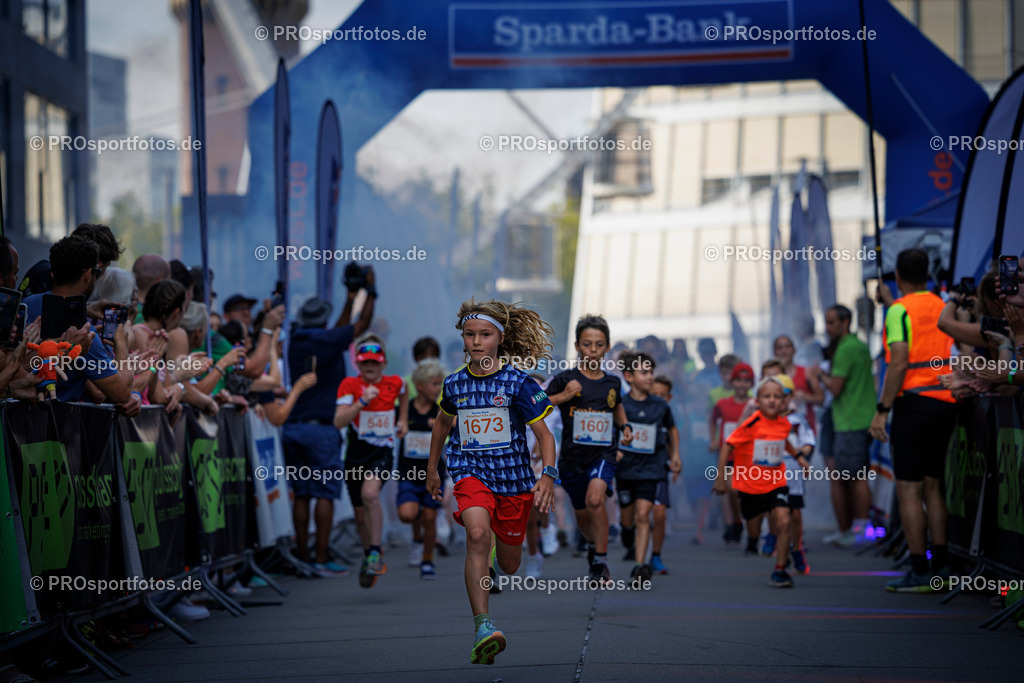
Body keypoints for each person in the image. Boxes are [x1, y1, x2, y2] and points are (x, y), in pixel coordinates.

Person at [425, 298, 557, 666]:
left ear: (500, 338)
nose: (477, 342)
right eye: (470, 335)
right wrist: (433, 468)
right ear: (462, 338)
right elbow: (441, 424)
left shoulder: (518, 383)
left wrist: (547, 474)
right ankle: (483, 626)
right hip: (470, 471)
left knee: (512, 565)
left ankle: (502, 552)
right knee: (477, 535)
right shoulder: (453, 384)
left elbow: (545, 436)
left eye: (485, 334)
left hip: (513, 479)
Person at [870, 249, 956, 592]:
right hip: (946, 400)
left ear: (898, 276)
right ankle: (943, 564)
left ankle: (920, 570)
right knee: (933, 486)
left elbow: (900, 360)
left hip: (913, 405)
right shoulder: (942, 302)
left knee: (908, 488)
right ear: (928, 274)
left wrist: (882, 409)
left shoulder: (898, 311)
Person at [283, 274, 375, 577]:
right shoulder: (328, 340)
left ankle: (304, 556)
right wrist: (370, 291)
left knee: (303, 493)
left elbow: (340, 330)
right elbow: (358, 327)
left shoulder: (296, 341)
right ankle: (321, 559)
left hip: (294, 426)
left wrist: (350, 299)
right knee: (324, 495)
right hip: (322, 430)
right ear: (323, 322)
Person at [546, 315, 633, 585]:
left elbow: (616, 407)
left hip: (603, 453)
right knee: (583, 516)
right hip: (572, 459)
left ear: (606, 347)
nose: (593, 350)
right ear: (577, 346)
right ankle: (594, 547)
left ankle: (600, 562)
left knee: (597, 499)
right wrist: (563, 396)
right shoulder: (564, 379)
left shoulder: (612, 382)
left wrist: (626, 426)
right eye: (587, 344)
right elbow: (539, 403)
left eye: (598, 344)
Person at [23, 236, 139, 414]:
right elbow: (122, 393)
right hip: (57, 431)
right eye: (97, 273)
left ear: (53, 273)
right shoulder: (82, 332)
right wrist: (122, 343)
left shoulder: (24, 306)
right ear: (88, 275)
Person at [713, 377, 808, 588]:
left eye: (777, 396)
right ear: (757, 401)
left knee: (783, 520)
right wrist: (721, 478)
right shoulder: (751, 423)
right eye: (767, 396)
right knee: (754, 529)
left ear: (784, 401)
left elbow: (784, 442)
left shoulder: (785, 423)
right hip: (751, 486)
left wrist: (800, 458)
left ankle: (780, 570)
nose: (772, 401)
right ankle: (753, 540)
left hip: (776, 482)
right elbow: (727, 446)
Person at [334, 333, 408, 587]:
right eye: (365, 362)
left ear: (383, 363)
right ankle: (369, 554)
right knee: (359, 514)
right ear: (358, 363)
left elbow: (405, 393)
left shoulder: (395, 383)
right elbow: (338, 421)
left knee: (370, 494)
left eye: (374, 363)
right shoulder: (349, 386)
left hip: (382, 452)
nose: (370, 367)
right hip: (355, 455)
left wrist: (402, 421)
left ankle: (376, 550)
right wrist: (361, 402)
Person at [616, 351, 680, 582]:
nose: (650, 377)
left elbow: (672, 429)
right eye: (644, 373)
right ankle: (626, 534)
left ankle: (640, 565)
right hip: (625, 469)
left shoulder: (660, 406)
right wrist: (616, 449)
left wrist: (675, 456)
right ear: (629, 376)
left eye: (651, 372)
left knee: (644, 514)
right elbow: (611, 430)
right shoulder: (620, 404)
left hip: (651, 468)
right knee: (627, 518)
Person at [819, 304, 876, 547]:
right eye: (827, 322)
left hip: (852, 420)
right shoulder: (857, 345)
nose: (828, 327)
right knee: (848, 476)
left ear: (846, 322)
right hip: (852, 418)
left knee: (855, 477)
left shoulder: (846, 348)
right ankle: (853, 529)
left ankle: (861, 528)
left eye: (832, 322)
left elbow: (835, 387)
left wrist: (818, 375)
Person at [762, 373, 815, 573]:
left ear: (790, 396)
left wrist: (801, 456)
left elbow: (808, 442)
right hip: (768, 473)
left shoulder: (796, 420)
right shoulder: (762, 419)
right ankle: (774, 538)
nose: (776, 400)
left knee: (794, 515)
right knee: (775, 511)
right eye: (770, 395)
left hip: (792, 474)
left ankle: (797, 549)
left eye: (781, 395)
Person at [396, 358, 444, 579]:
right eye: (434, 384)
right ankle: (416, 538)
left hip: (433, 476)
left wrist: (443, 428)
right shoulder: (405, 411)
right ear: (420, 385)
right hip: (408, 473)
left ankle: (427, 560)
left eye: (439, 384)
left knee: (430, 517)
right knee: (408, 513)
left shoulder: (441, 413)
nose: (438, 389)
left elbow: (456, 429)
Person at [709, 362, 754, 545]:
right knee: (732, 489)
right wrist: (713, 439)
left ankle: (748, 527)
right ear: (732, 382)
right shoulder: (722, 404)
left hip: (750, 456)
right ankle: (736, 520)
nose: (742, 385)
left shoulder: (756, 404)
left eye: (746, 381)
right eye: (738, 380)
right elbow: (712, 420)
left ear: (751, 383)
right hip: (728, 455)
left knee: (749, 494)